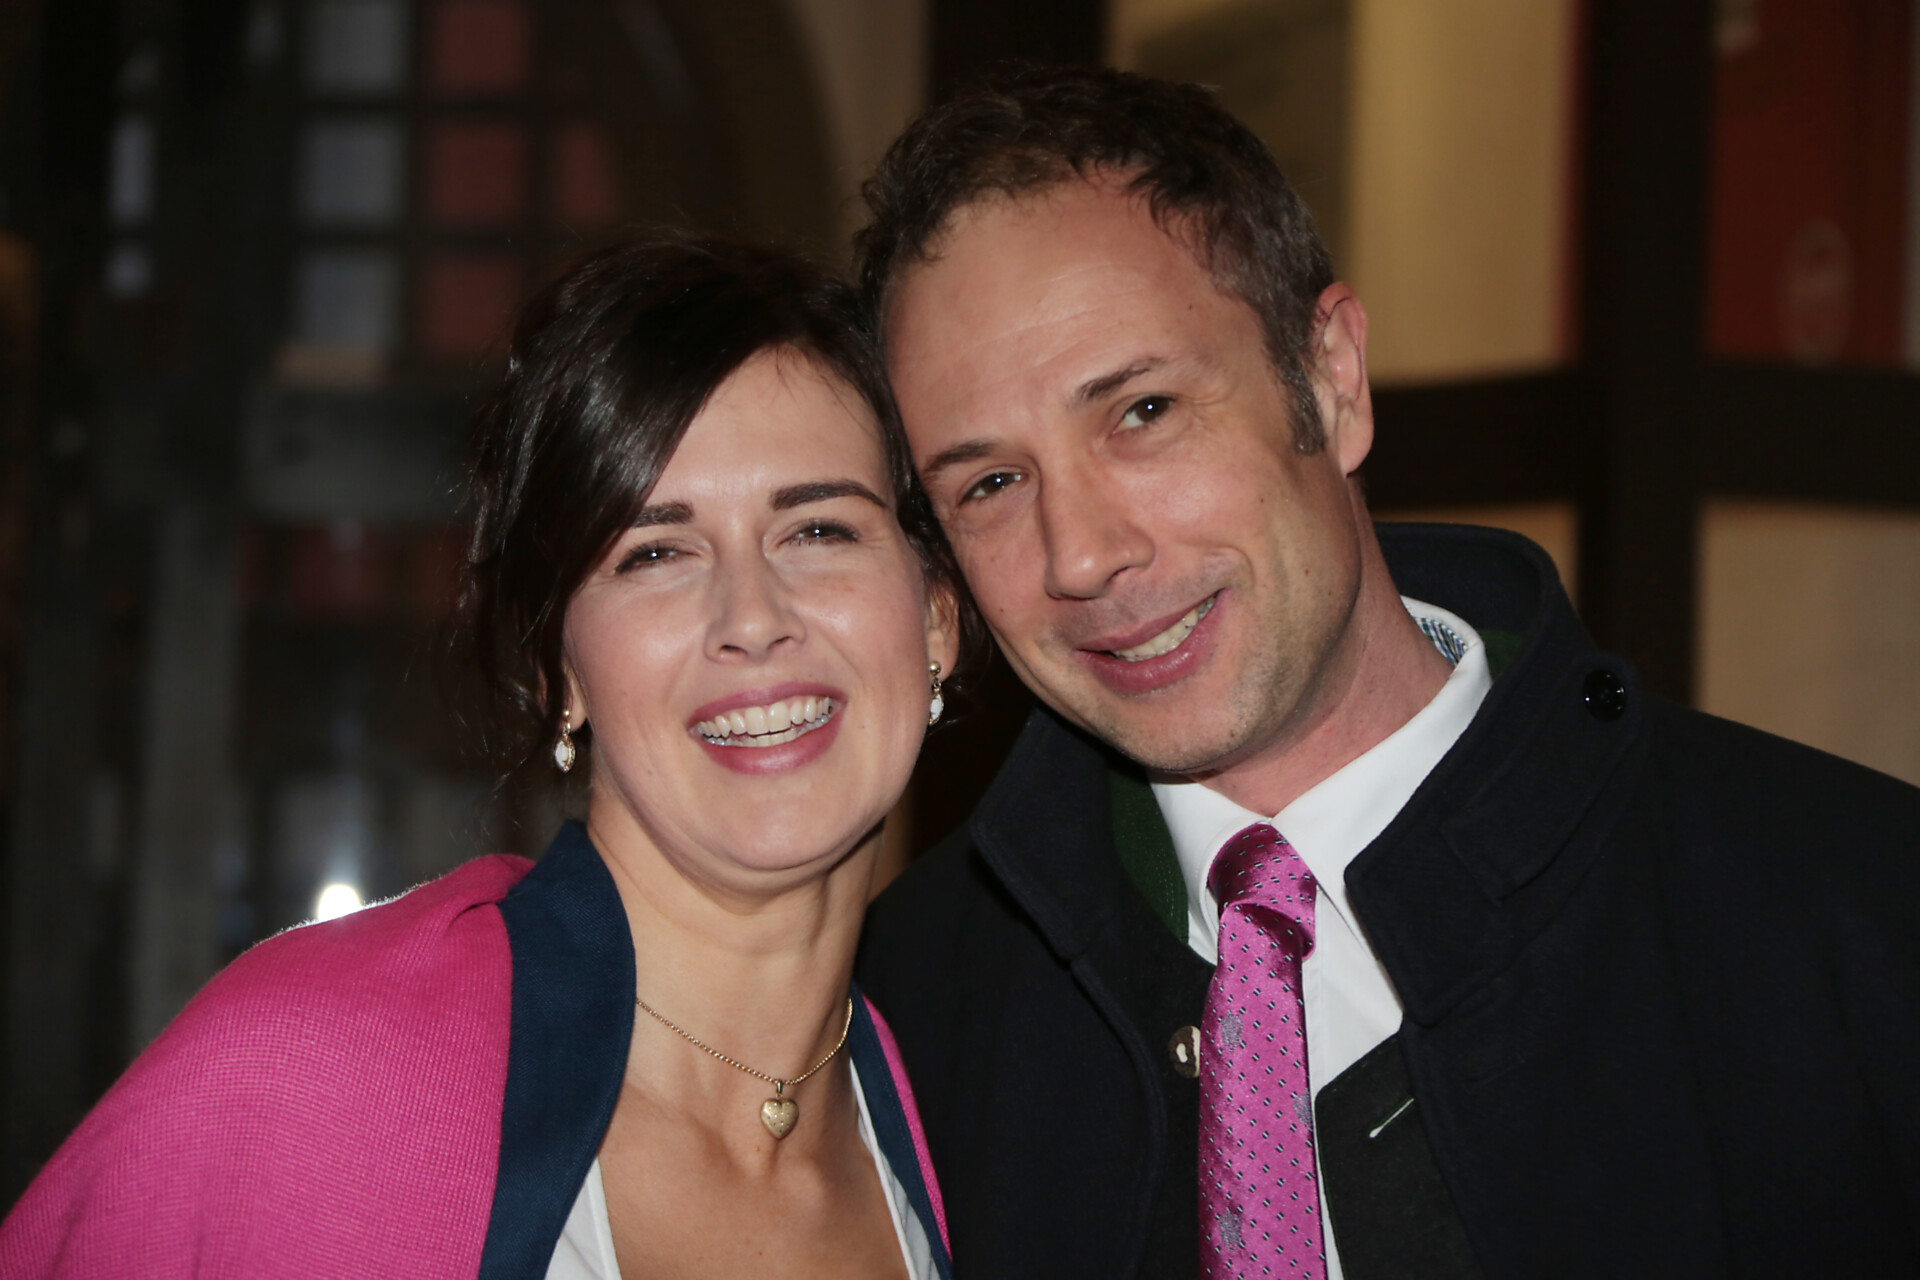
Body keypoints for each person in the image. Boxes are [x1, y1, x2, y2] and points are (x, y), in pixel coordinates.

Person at [851, 65, 1920, 1280]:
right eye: (990, 482)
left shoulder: (1853, 918)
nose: (1082, 553)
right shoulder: (904, 1025)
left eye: (1143, 411)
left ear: (1333, 379)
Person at [1, 233, 967, 1279]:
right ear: (560, 671)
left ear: (936, 616)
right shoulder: (307, 1073)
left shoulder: (987, 1123)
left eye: (819, 530)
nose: (752, 617)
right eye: (655, 551)